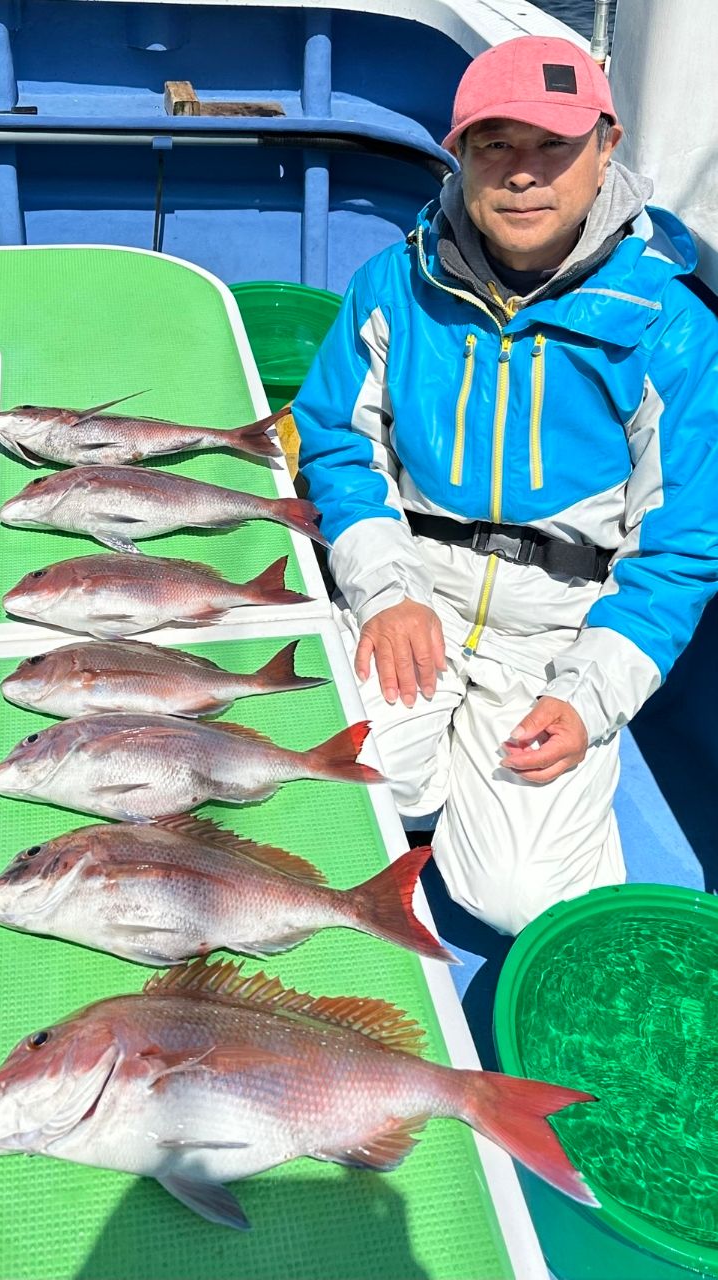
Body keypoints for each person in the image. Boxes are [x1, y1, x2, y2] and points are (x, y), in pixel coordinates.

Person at [293, 35, 718, 935]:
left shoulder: (673, 329)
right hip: (413, 586)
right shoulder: (392, 285)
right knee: (355, 781)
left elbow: (680, 549)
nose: (522, 175)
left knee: (515, 901)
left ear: (607, 145)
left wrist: (587, 693)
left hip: (560, 625)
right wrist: (384, 591)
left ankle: (513, 800)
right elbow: (335, 443)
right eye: (495, 145)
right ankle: (443, 769)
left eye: (551, 146)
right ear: (459, 155)